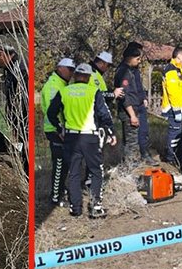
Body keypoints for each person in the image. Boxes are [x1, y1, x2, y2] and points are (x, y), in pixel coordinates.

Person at [47, 63, 115, 219]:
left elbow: (51, 114)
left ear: (76, 75)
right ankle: (96, 207)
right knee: (96, 170)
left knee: (74, 173)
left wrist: (59, 129)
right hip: (89, 137)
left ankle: (75, 208)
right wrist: (111, 132)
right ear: (89, 77)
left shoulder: (63, 92)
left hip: (71, 138)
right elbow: (105, 115)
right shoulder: (93, 91)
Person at [42, 58, 75, 207]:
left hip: (62, 130)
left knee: (65, 164)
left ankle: (61, 191)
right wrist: (60, 129)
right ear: (60, 68)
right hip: (55, 131)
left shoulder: (62, 84)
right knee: (60, 165)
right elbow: (51, 113)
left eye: (73, 70)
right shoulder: (53, 86)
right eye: (70, 69)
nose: (72, 73)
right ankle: (55, 198)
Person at [0, 37, 29, 142]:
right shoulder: (9, 68)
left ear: (1, 54)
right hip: (18, 128)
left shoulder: (22, 71)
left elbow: (25, 104)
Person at [114, 44, 150, 166]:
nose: (139, 61)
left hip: (136, 107)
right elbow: (125, 96)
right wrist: (132, 115)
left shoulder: (132, 70)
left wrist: (143, 98)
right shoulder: (123, 72)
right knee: (131, 141)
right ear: (130, 58)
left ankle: (133, 163)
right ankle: (130, 167)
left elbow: (137, 89)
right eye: (137, 59)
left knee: (135, 138)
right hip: (130, 111)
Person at [159, 46, 182, 164]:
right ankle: (170, 158)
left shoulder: (181, 69)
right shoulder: (171, 70)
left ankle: (180, 156)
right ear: (179, 56)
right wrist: (177, 110)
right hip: (174, 110)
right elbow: (173, 92)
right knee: (175, 134)